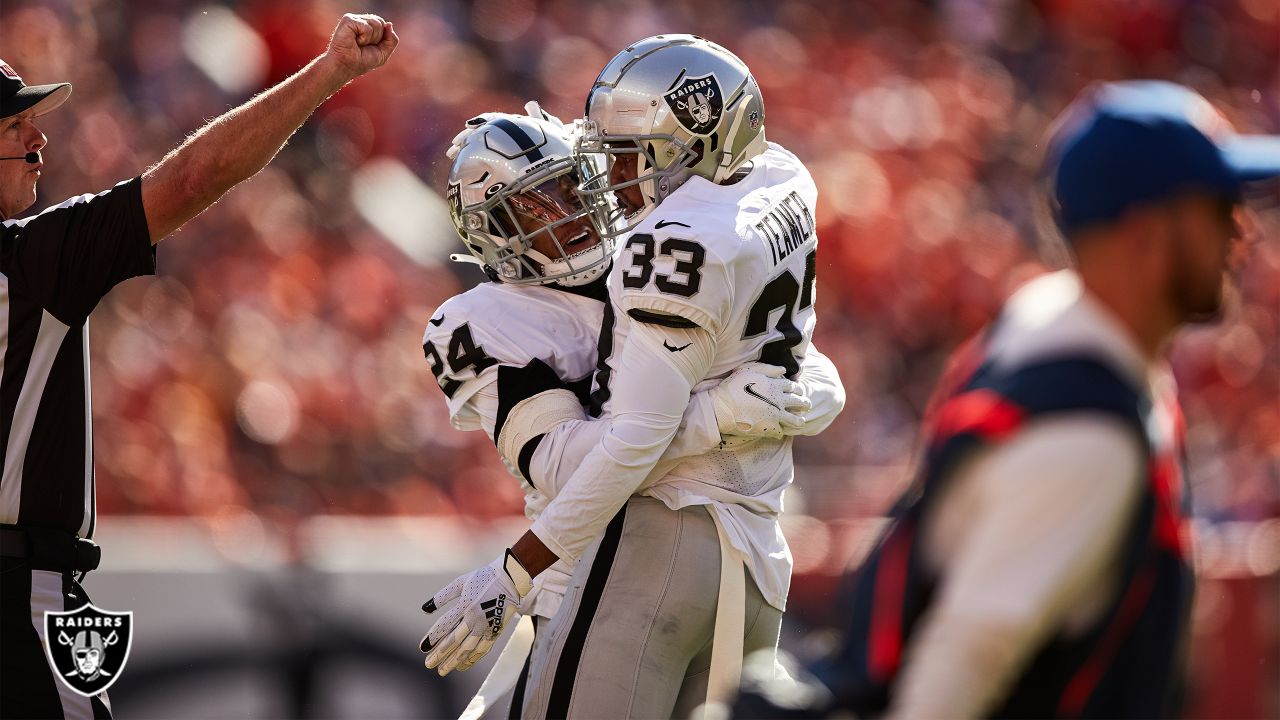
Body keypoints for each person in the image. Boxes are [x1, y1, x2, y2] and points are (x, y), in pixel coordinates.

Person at [734, 80, 1280, 719]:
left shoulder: (1048, 322)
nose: (1242, 232)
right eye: (1218, 209)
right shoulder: (1086, 440)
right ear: (1148, 234)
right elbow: (959, 667)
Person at [421, 35, 836, 718]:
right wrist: (717, 417)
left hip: (699, 547)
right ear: (488, 237)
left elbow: (782, 357)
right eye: (528, 212)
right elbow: (560, 468)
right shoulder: (488, 318)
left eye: (562, 190)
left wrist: (806, 382)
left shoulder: (657, 245)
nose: (561, 219)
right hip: (582, 573)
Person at [0, 15, 396, 719]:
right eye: (12, 128)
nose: (39, 141)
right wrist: (327, 71)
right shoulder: (31, 262)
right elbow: (195, 175)